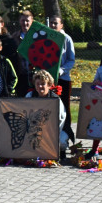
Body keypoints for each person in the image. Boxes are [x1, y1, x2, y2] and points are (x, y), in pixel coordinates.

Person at [49, 15, 77, 146]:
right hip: (49, 80)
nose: (53, 26)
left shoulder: (67, 39)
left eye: (56, 23)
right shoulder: (47, 37)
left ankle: (65, 136)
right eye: (52, 23)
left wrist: (62, 70)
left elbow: (71, 59)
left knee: (64, 107)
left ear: (61, 25)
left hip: (63, 79)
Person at [26, 69, 69, 155]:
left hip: (51, 130)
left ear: (49, 85)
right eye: (38, 84)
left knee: (62, 140)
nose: (40, 86)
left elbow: (61, 118)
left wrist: (51, 133)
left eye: (43, 84)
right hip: (33, 130)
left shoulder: (56, 99)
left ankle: (60, 152)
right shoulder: (29, 96)